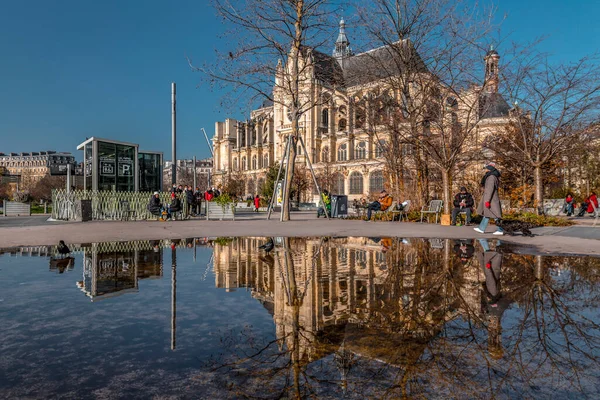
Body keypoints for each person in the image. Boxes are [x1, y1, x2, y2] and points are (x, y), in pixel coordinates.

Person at [474, 162, 503, 235]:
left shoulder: (491, 177)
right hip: (491, 198)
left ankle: (500, 230)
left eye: (485, 169)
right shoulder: (492, 176)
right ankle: (481, 228)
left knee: (496, 215)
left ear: (489, 169)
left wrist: (487, 201)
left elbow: (489, 189)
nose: (484, 170)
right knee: (488, 214)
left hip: (491, 198)